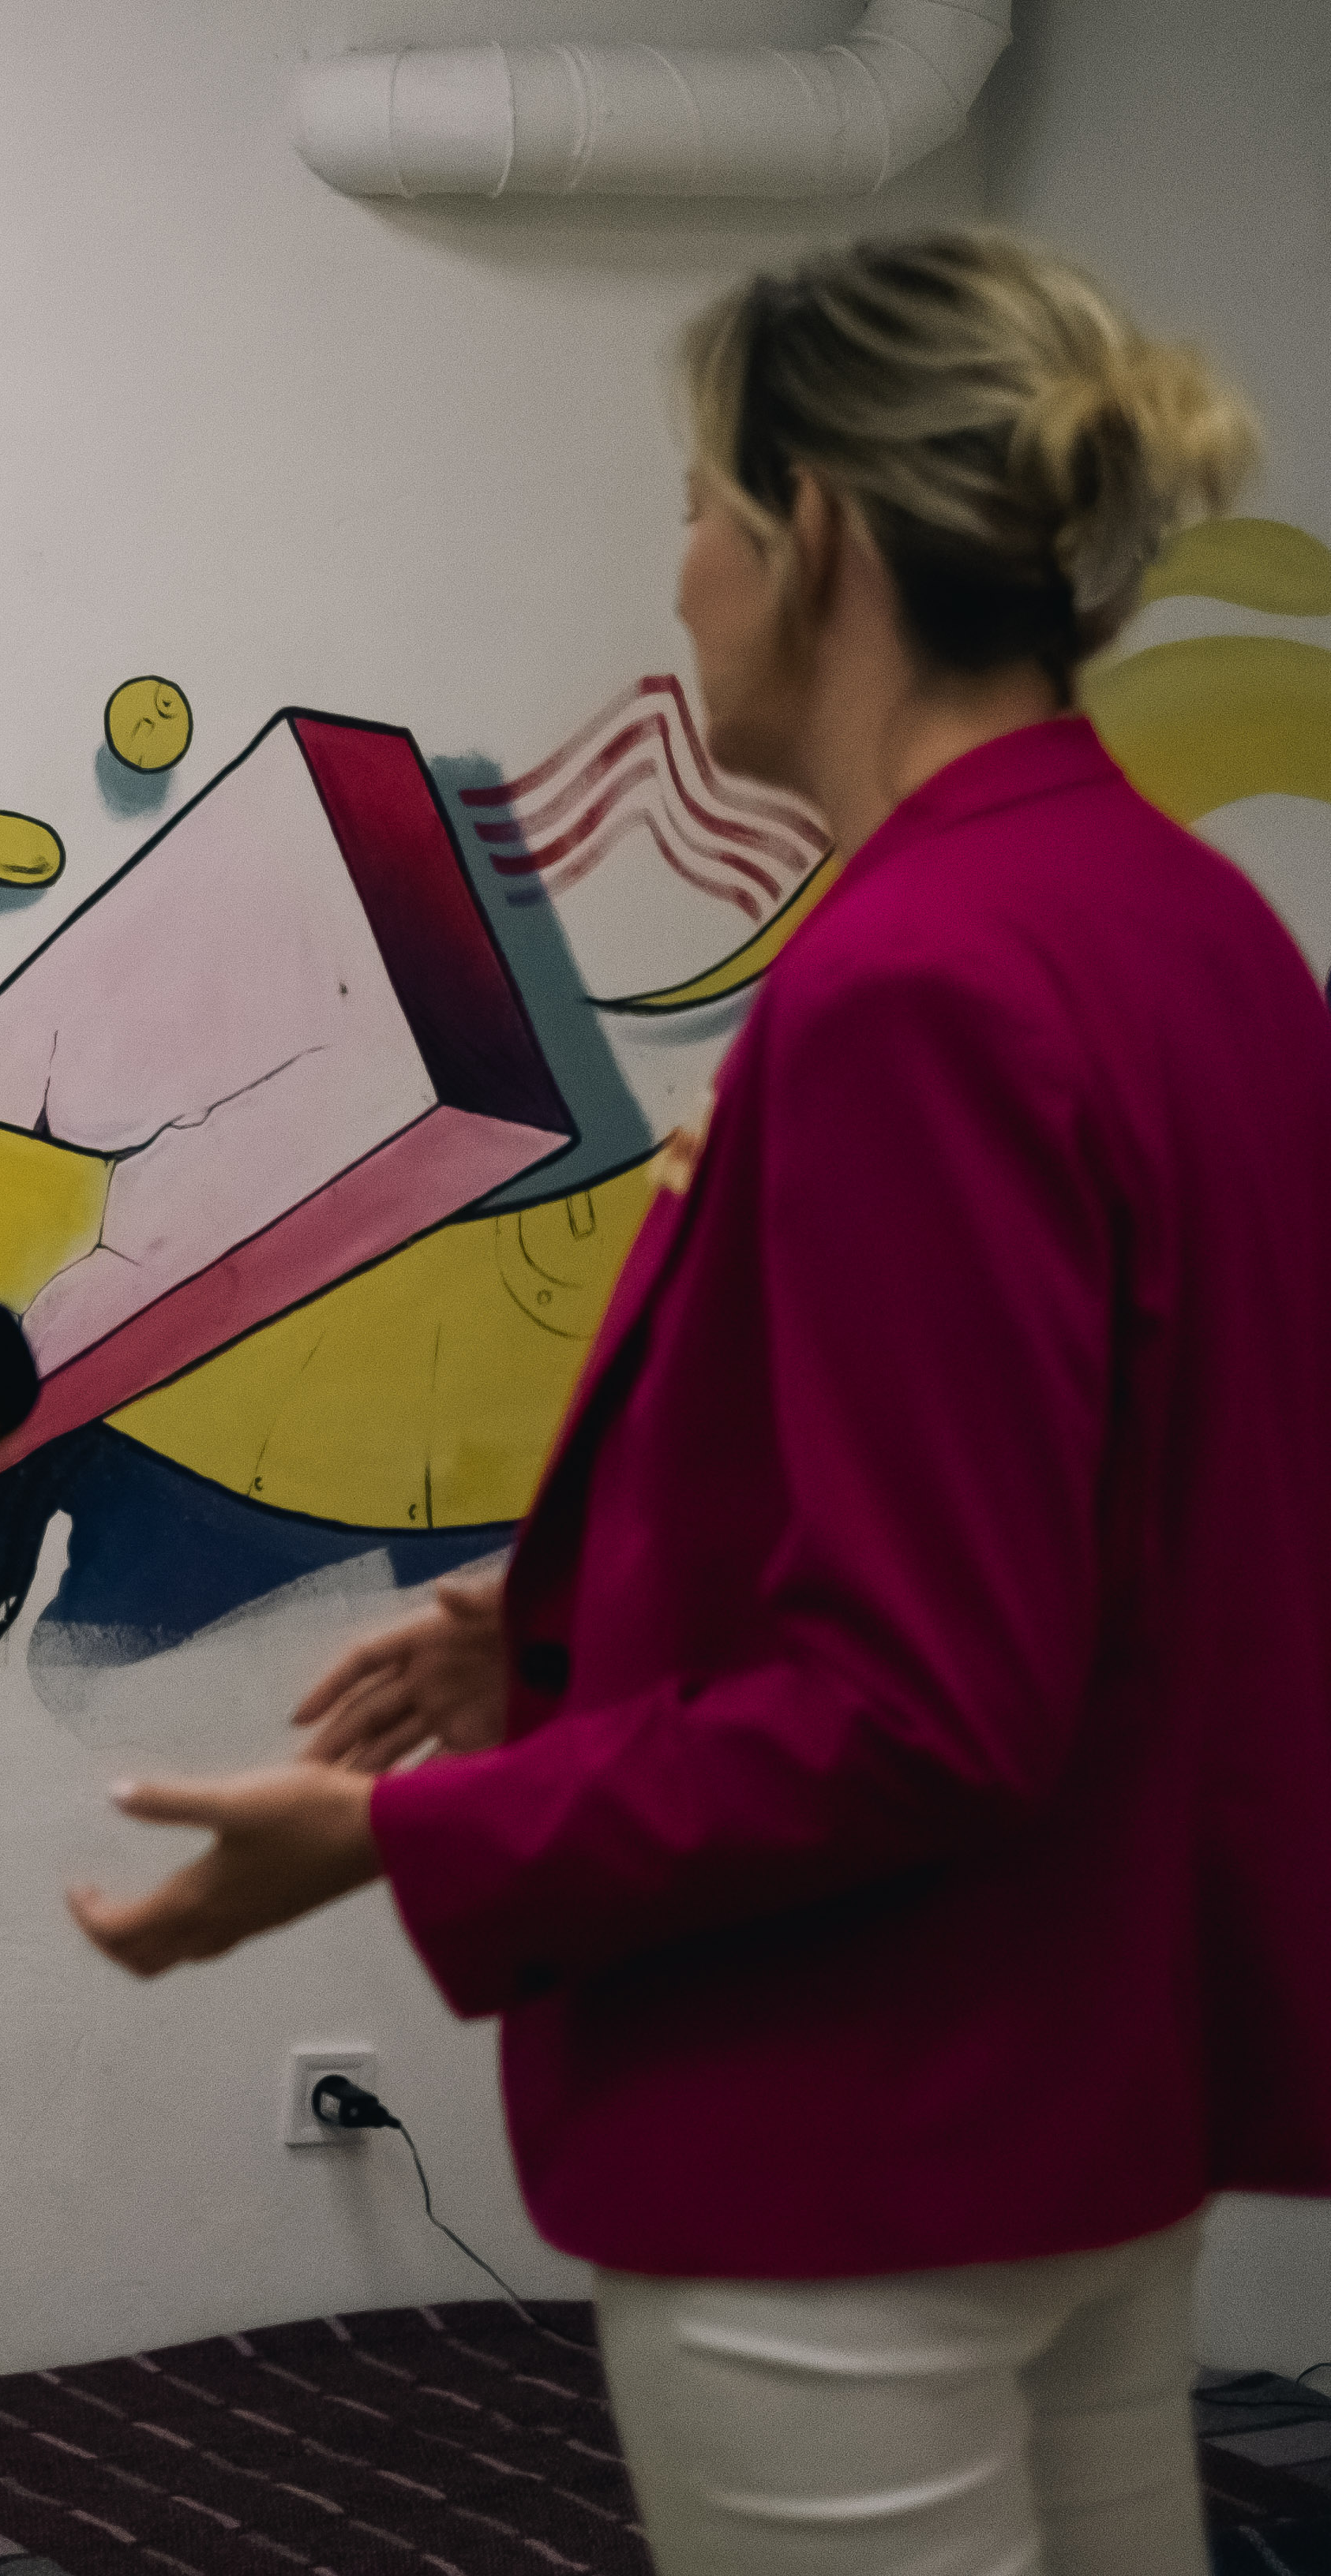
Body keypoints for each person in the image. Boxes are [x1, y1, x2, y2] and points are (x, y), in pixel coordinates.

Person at [67, 230, 1331, 2572]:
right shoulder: (1198, 932)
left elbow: (921, 1707)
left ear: (815, 529)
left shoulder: (915, 984)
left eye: (694, 508)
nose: (677, 578)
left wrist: (404, 1842)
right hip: (1090, 2096)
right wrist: (565, 1626)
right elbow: (1098, 1536)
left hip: (859, 2136)